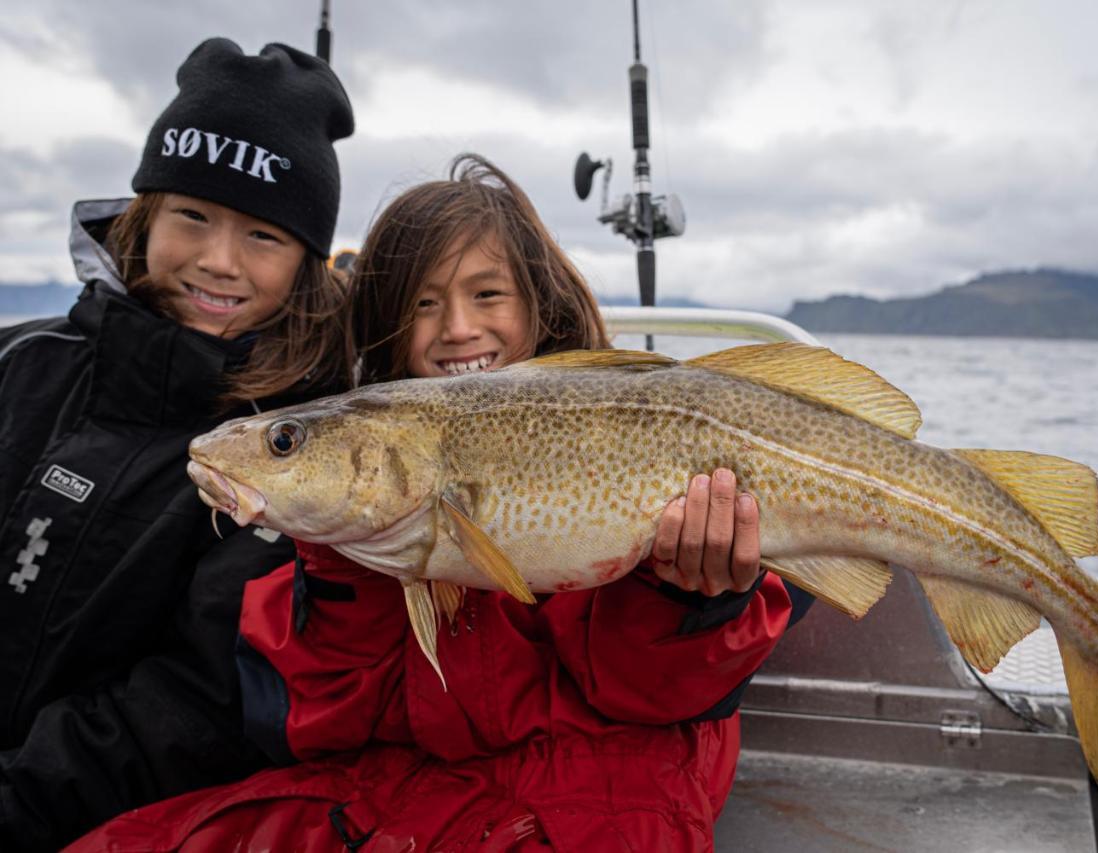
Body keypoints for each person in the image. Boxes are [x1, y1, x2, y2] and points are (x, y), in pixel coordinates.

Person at [69, 154, 802, 850]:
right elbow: (330, 718)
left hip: (607, 793)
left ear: (539, 303)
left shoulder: (603, 437)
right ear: (387, 325)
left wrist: (690, 597)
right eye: (422, 304)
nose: (457, 328)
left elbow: (651, 692)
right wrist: (338, 562)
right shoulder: (353, 529)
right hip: (418, 792)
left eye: (488, 294)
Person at [0, 37, 355, 849]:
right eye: (192, 215)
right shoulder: (23, 363)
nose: (219, 261)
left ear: (306, 262)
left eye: (263, 235)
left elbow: (192, 703)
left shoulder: (293, 450)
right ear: (143, 214)